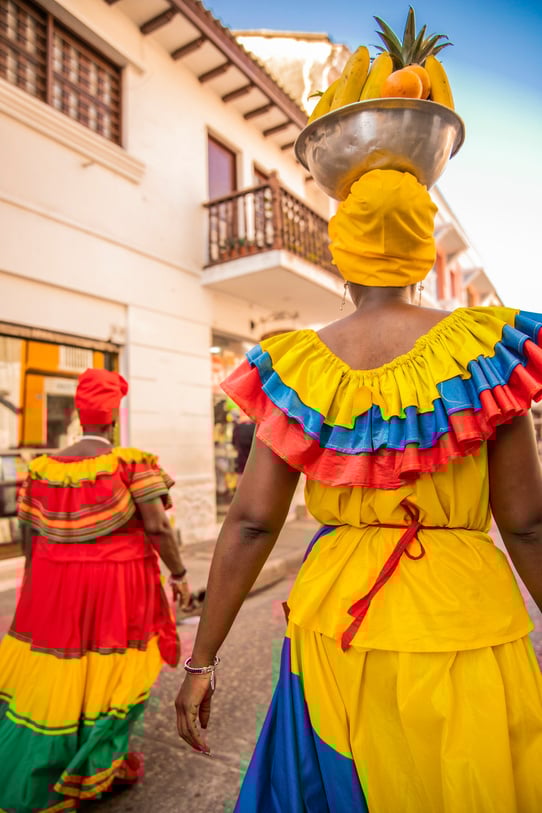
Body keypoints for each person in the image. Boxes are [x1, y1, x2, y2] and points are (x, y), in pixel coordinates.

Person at [175, 169, 542, 812]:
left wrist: (201, 661)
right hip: (461, 618)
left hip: (332, 622)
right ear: (424, 253)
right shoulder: (484, 354)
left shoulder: (298, 366)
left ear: (341, 256)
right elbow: (529, 524)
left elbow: (253, 522)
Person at [0, 368, 190, 812]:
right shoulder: (129, 463)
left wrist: (34, 590)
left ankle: (64, 764)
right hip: (117, 588)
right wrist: (180, 575)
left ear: (77, 417)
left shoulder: (43, 469)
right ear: (114, 419)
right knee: (110, 673)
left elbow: (32, 539)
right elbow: (159, 528)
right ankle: (95, 766)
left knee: (64, 674)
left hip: (53, 588)